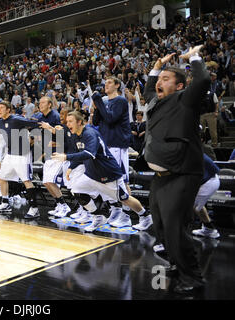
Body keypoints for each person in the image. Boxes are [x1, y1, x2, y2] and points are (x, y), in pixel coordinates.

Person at [143, 45, 210, 294]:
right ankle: (175, 263)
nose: (159, 82)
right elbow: (149, 89)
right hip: (160, 176)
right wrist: (157, 67)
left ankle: (193, 277)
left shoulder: (186, 100)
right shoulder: (155, 102)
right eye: (160, 79)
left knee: (174, 227)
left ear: (180, 85)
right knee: (160, 225)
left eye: (166, 79)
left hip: (182, 172)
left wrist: (192, 56)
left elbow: (202, 78)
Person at [52, 111, 151, 232]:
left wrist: (66, 157)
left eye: (70, 121)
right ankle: (98, 216)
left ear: (79, 122)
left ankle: (145, 216)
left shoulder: (90, 133)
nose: (68, 124)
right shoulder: (77, 135)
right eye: (67, 122)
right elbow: (78, 152)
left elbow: (89, 154)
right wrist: (71, 167)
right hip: (92, 175)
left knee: (124, 198)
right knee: (76, 190)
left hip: (107, 173)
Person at [91, 77, 134, 228]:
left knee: (122, 179)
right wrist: (96, 105)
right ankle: (116, 209)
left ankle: (127, 214)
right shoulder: (104, 101)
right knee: (106, 179)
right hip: (105, 144)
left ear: (117, 85)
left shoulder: (120, 101)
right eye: (105, 83)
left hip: (117, 144)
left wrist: (98, 100)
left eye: (109, 82)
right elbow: (96, 122)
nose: (106, 85)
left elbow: (110, 119)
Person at [0, 100, 41, 219]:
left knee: (26, 180)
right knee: (2, 178)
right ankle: (5, 203)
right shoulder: (0, 122)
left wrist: (43, 129)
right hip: (10, 154)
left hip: (23, 154)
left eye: (2, 108)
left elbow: (34, 123)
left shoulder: (16, 119)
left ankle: (34, 208)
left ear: (8, 110)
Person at [192, 154, 221, 239]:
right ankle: (209, 229)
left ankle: (171, 243)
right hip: (210, 179)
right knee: (197, 206)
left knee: (180, 208)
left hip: (207, 182)